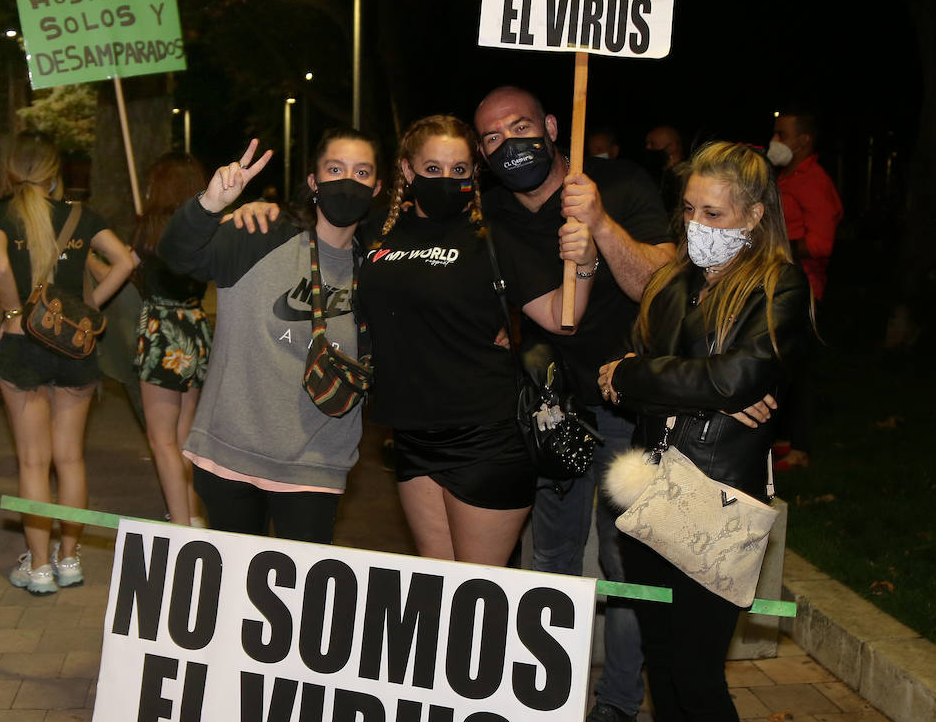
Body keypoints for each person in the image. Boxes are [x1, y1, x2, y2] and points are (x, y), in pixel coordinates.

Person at [598, 141, 811, 722]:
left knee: (697, 669)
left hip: (717, 498)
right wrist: (683, 379)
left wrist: (649, 377)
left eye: (713, 212)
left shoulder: (777, 285)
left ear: (754, 216)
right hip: (652, 491)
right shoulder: (675, 283)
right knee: (661, 654)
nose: (696, 224)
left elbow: (736, 376)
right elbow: (652, 374)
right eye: (688, 209)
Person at [474, 86, 675, 722]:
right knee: (552, 555)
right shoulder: (492, 214)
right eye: (494, 137)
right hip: (553, 411)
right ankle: (546, 695)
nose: (511, 144)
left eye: (522, 126)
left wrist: (602, 227)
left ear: (554, 126)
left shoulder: (616, 183)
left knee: (624, 562)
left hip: (629, 410)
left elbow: (661, 283)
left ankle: (617, 703)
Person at [360, 113, 597, 566]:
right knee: (437, 586)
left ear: (474, 174)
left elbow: (560, 317)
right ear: (408, 171)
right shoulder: (378, 233)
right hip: (411, 436)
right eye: (432, 169)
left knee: (477, 594)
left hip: (486, 438)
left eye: (459, 170)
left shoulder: (492, 237)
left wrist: (585, 263)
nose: (445, 180)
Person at [158, 131, 379, 543]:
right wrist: (211, 205)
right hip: (229, 453)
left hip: (316, 463)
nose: (347, 181)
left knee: (300, 603)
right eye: (335, 169)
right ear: (313, 182)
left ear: (377, 187)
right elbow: (175, 256)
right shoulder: (259, 233)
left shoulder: (379, 269)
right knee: (232, 595)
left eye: (361, 172)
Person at [0, 132, 135, 595]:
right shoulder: (81, 215)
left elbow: (0, 267)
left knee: (33, 462)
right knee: (70, 458)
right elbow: (125, 261)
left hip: (23, 346)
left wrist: (13, 315)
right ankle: (69, 560)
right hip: (74, 346)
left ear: (11, 169)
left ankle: (41, 567)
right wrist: (88, 315)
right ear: (54, 170)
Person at [131, 153, 213, 526]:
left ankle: (180, 524)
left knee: (161, 438)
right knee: (185, 432)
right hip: (195, 326)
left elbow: (128, 273)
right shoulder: (206, 227)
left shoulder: (150, 225)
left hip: (162, 331)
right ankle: (190, 513)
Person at [768, 107, 841, 470]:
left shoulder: (814, 183)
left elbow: (822, 244)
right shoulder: (786, 177)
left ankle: (801, 449)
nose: (775, 140)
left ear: (803, 141)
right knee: (783, 367)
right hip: (784, 288)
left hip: (805, 290)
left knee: (800, 371)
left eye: (782, 134)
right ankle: (786, 438)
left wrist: (780, 245)